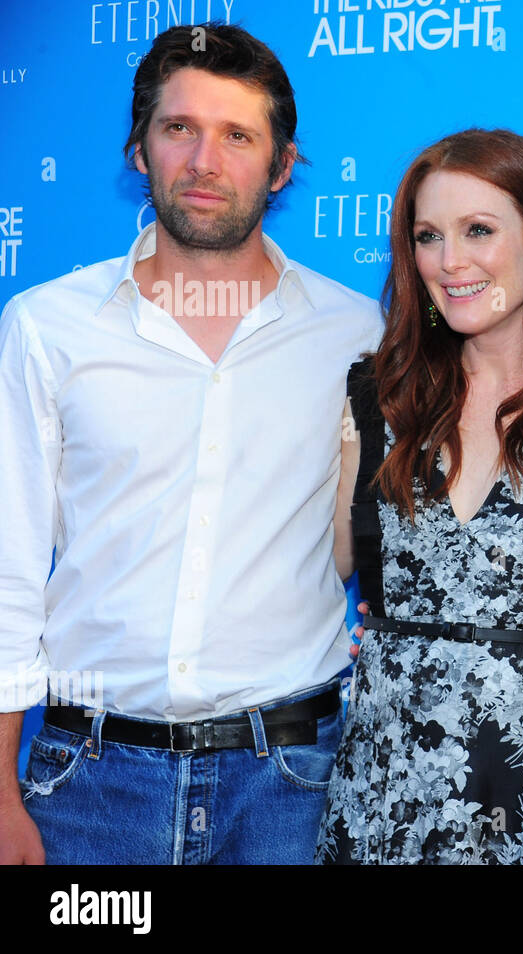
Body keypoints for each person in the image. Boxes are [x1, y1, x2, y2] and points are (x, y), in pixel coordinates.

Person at [0, 24, 382, 864]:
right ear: (139, 149)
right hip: (86, 787)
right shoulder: (45, 327)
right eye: (179, 129)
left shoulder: (357, 333)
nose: (205, 162)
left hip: (291, 785)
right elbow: (9, 570)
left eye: (238, 136)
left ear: (281, 167)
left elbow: (394, 537)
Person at [317, 129, 523, 865]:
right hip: (383, 791)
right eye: (428, 236)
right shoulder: (374, 398)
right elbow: (324, 569)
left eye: (479, 230)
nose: (451, 262)